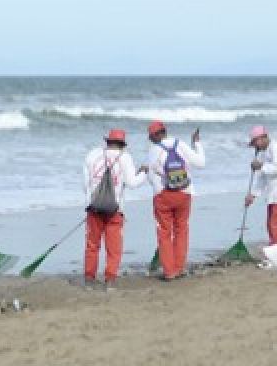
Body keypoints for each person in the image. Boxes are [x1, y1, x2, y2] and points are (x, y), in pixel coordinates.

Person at [83, 128, 147, 288]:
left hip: (94, 207)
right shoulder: (125, 157)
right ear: (122, 145)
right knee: (114, 247)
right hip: (115, 210)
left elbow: (86, 185)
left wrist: (91, 202)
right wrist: (144, 174)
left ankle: (89, 279)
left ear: (107, 142)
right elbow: (132, 183)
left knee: (92, 245)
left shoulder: (92, 155)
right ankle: (110, 280)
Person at [144, 120, 205, 280]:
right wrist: (197, 144)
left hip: (163, 196)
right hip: (184, 193)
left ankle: (169, 271)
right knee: (181, 230)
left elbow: (151, 178)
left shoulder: (153, 150)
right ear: (165, 131)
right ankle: (179, 268)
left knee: (164, 233)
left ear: (152, 136)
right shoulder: (180, 144)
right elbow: (201, 163)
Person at [243, 125, 277, 244]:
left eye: (255, 142)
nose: (255, 146)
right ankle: (275, 253)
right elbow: (262, 177)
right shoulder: (264, 153)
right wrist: (252, 195)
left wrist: (260, 166)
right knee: (271, 226)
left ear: (262, 138)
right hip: (273, 196)